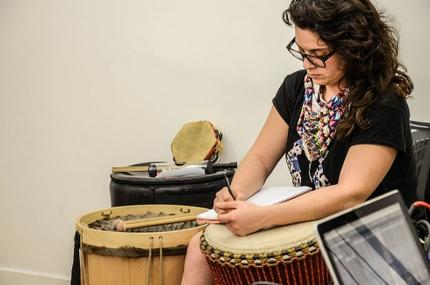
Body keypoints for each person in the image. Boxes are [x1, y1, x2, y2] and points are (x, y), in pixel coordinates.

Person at [181, 0, 417, 283]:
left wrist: (263, 217)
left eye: (317, 54)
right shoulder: (296, 88)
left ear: (353, 47)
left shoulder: (384, 104)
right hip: (313, 223)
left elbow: (350, 194)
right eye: (302, 52)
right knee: (199, 248)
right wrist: (237, 196)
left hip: (369, 239)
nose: (307, 64)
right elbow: (260, 158)